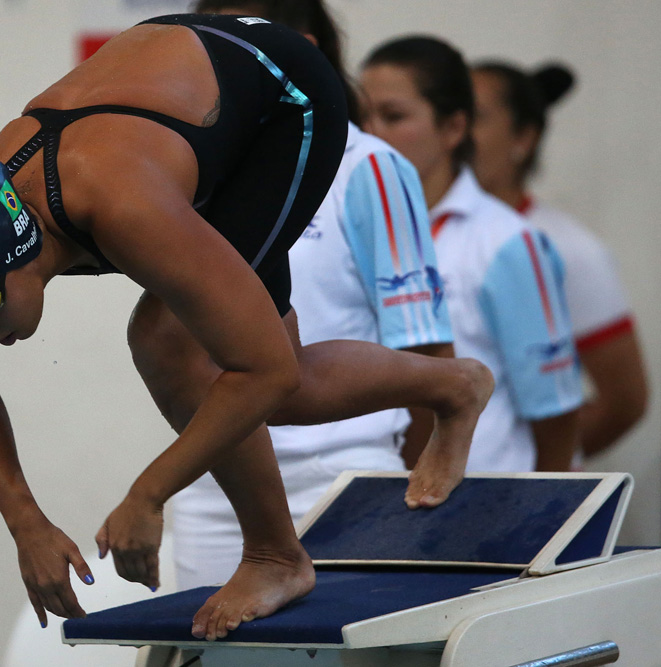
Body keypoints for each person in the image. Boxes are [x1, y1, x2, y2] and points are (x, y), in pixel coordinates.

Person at [0, 15, 493, 642]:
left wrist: (149, 493)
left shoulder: (119, 205)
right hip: (184, 100)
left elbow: (262, 372)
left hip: (283, 99)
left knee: (174, 343)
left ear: (26, 254)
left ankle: (275, 556)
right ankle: (454, 387)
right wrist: (25, 523)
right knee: (269, 379)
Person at [172, 0, 455, 590]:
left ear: (302, 52)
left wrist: (421, 495)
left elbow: (428, 354)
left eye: (235, 49)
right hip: (215, 483)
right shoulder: (190, 171)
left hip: (340, 479)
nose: (216, 67)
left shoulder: (369, 165)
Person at [360, 36, 583, 473]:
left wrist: (539, 526)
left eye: (393, 116)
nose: (371, 134)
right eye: (363, 116)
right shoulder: (354, 228)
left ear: (453, 129)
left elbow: (555, 409)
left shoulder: (505, 241)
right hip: (377, 496)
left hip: (483, 505)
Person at [470, 61, 648, 458]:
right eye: (451, 112)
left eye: (476, 116)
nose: (459, 130)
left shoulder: (568, 249)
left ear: (524, 137)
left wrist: (541, 472)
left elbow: (624, 400)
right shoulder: (420, 235)